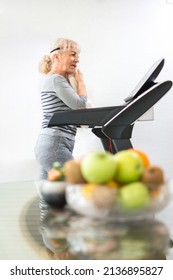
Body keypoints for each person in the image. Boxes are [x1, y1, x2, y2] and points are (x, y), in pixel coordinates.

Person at [34, 38, 87, 180]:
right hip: (55, 144)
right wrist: (81, 82)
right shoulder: (56, 80)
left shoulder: (51, 79)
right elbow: (80, 106)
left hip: (51, 144)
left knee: (49, 196)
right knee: (77, 186)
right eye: (73, 54)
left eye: (77, 55)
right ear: (57, 56)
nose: (77, 59)